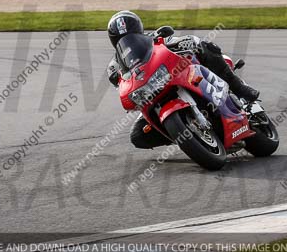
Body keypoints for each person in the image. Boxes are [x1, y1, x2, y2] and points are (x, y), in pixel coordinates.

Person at [106, 10, 260, 149]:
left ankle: (238, 88)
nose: (129, 41)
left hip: (177, 75)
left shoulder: (153, 38)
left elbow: (177, 40)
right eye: (122, 38)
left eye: (132, 35)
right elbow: (120, 83)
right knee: (138, 136)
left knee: (204, 46)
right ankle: (187, 135)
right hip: (151, 94)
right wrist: (177, 130)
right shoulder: (114, 66)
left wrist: (184, 42)